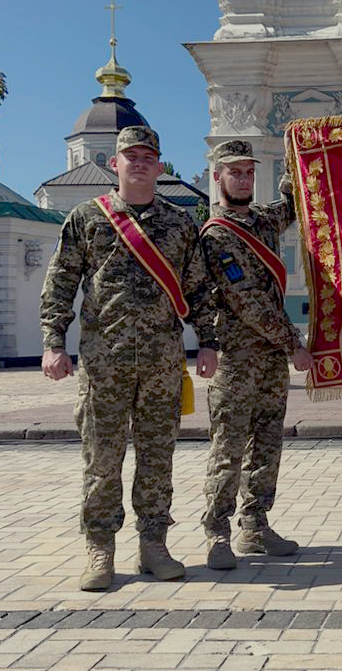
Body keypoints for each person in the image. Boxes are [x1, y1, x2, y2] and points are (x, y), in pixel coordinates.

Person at [40, 126, 218, 592]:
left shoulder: (180, 225)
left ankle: (154, 545)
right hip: (104, 363)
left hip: (162, 362)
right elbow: (61, 282)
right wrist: (53, 342)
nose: (139, 163)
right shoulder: (86, 219)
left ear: (160, 167)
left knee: (158, 458)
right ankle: (100, 548)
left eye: (147, 156)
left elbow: (199, 287)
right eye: (129, 156)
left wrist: (209, 341)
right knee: (102, 459)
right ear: (114, 164)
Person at [199, 139, 314, 571]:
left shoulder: (264, 220)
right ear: (218, 176)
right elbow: (248, 301)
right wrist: (294, 345)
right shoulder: (216, 235)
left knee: (267, 445)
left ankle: (255, 525)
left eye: (249, 171)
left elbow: (294, 198)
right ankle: (216, 533)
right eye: (234, 171)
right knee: (228, 448)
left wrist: (298, 150)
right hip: (237, 358)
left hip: (268, 362)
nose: (243, 178)